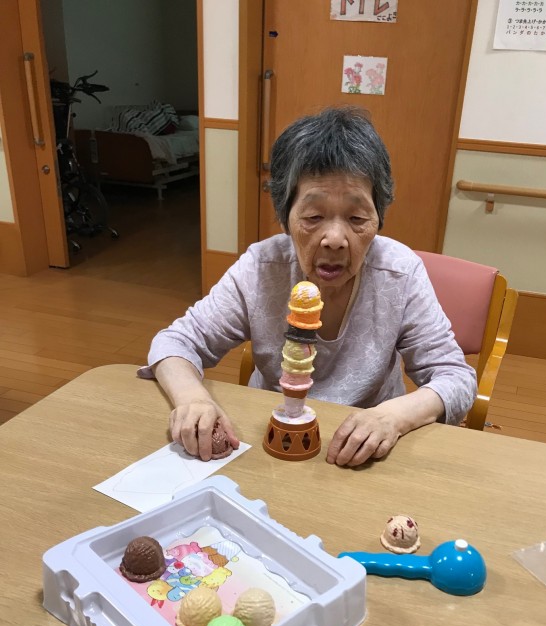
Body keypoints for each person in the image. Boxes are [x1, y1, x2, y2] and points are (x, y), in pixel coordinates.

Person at [141, 107, 477, 467]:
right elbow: (176, 343)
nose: (335, 239)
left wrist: (394, 417)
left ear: (378, 218)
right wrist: (193, 399)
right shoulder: (261, 269)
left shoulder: (400, 273)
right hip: (270, 440)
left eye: (357, 217)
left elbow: (455, 377)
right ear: (285, 217)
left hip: (365, 449)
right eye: (314, 217)